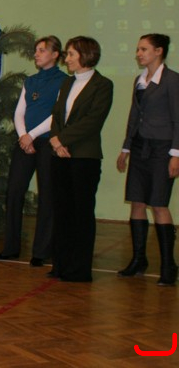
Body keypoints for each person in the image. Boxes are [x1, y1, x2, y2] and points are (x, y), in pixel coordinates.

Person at [0, 36, 67, 267]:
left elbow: (57, 115)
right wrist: (23, 136)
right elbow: (20, 112)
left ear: (55, 54)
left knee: (47, 194)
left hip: (47, 143)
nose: (36, 54)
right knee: (14, 191)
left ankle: (41, 251)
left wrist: (32, 135)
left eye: (42, 50)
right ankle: (11, 247)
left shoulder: (63, 81)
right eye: (36, 50)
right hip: (24, 142)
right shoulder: (31, 80)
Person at [48, 36, 113, 282]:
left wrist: (61, 139)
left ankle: (79, 269)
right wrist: (56, 141)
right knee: (62, 210)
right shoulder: (67, 83)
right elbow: (56, 115)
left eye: (71, 54)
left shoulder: (102, 85)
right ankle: (61, 264)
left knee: (81, 212)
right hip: (60, 155)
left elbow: (93, 121)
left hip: (85, 157)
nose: (67, 58)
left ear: (86, 55)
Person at [116, 33, 178, 286]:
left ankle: (168, 265)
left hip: (162, 149)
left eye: (144, 49)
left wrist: (176, 154)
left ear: (159, 51)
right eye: (138, 49)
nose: (139, 54)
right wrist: (126, 148)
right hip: (140, 147)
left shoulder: (172, 80)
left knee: (159, 203)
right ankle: (139, 259)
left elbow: (178, 119)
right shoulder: (139, 80)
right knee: (137, 201)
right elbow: (134, 116)